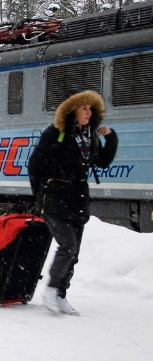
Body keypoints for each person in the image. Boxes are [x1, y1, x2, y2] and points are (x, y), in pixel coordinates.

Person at [28, 90, 118, 316]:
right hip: (55, 199)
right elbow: (35, 165)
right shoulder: (55, 134)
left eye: (90, 108)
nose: (89, 112)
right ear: (72, 110)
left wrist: (112, 138)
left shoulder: (88, 137)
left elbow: (103, 162)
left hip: (77, 199)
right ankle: (50, 289)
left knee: (74, 252)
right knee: (67, 246)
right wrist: (39, 196)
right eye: (84, 108)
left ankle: (61, 294)